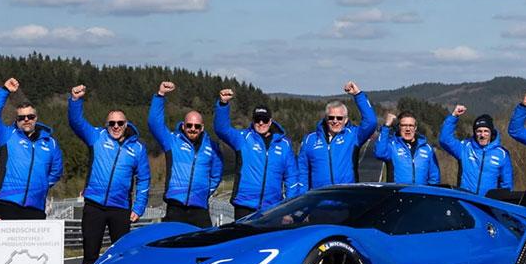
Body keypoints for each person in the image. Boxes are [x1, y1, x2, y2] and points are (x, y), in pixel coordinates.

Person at [69, 84, 151, 264]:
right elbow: (76, 122)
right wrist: (76, 101)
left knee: (121, 255)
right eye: (112, 123)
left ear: (126, 124)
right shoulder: (96, 137)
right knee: (90, 253)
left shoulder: (138, 149)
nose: (115, 126)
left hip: (120, 208)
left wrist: (138, 208)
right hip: (94, 205)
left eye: (120, 123)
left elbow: (144, 179)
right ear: (106, 124)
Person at [214, 88, 299, 219]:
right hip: (245, 206)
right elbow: (221, 129)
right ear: (253, 121)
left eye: (264, 120)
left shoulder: (284, 145)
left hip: (273, 208)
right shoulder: (243, 138)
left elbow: (292, 177)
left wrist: (289, 208)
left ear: (270, 121)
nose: (261, 123)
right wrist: (223, 104)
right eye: (257, 119)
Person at [0, 78, 63, 220]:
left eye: (30, 116)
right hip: (7, 203)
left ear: (36, 118)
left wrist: (41, 186)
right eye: (21, 117)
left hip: (36, 206)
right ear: (16, 120)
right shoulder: (7, 136)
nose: (26, 119)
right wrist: (4, 91)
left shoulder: (51, 143)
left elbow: (56, 172)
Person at [148, 81, 223, 228]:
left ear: (202, 128)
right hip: (175, 206)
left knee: (203, 247)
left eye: (196, 126)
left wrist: (204, 192)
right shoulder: (172, 141)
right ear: (183, 126)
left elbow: (216, 174)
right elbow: (154, 123)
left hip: (200, 208)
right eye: (189, 125)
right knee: (172, 248)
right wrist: (160, 95)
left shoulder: (212, 147)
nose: (192, 129)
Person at [297, 81, 377, 189]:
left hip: (345, 197)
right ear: (326, 118)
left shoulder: (353, 136)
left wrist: (358, 94)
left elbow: (371, 122)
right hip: (318, 199)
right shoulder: (310, 140)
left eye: (339, 118)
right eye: (331, 117)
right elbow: (302, 172)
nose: (335, 121)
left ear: (346, 120)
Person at [438, 106, 511, 194]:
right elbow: (445, 140)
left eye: (486, 131)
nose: (482, 135)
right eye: (479, 131)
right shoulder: (465, 148)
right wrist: (454, 116)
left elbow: (506, 185)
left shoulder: (502, 154)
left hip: (488, 204)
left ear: (491, 133)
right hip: (465, 200)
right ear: (474, 132)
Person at [374, 111, 441, 186]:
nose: (408, 129)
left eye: (411, 125)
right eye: (404, 125)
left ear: (415, 128)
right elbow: (379, 153)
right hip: (397, 194)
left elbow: (434, 178)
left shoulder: (427, 148)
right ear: (399, 127)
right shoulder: (393, 145)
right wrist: (386, 127)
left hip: (421, 194)